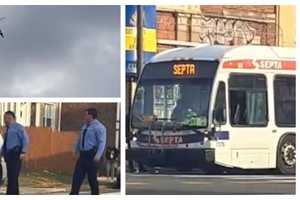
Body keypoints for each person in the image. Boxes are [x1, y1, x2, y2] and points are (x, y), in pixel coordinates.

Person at [70, 108, 107, 195]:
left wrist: (98, 155)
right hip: (83, 156)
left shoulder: (99, 127)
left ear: (90, 116)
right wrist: (75, 150)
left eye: (85, 115)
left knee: (92, 179)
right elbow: (79, 139)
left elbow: (102, 142)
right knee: (76, 178)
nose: (84, 117)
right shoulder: (85, 126)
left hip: (92, 155)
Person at [0, 111, 29, 195]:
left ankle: (10, 194)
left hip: (16, 154)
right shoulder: (6, 129)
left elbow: (25, 140)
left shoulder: (19, 127)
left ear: (14, 119)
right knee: (12, 178)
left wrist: (23, 151)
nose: (6, 120)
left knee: (13, 177)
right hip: (8, 156)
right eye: (5, 118)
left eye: (9, 118)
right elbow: (5, 143)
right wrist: (1, 153)